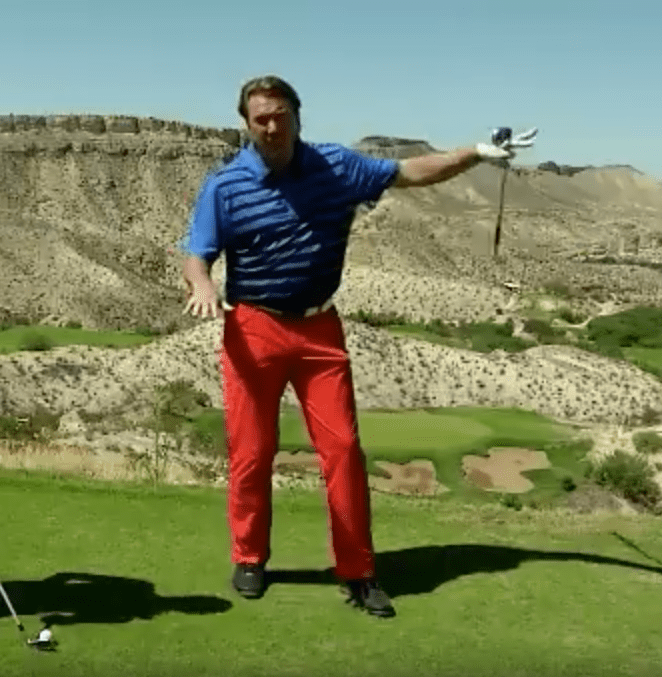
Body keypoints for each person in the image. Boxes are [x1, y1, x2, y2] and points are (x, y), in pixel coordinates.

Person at [179, 75, 534, 617]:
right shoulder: (225, 186)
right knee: (252, 453)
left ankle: (358, 572)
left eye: (280, 114)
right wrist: (202, 285)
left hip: (321, 329)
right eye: (260, 119)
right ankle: (249, 558)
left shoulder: (337, 167)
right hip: (253, 328)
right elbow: (196, 252)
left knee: (343, 451)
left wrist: (477, 153)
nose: (272, 126)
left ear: (297, 114)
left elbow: (411, 171)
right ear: (247, 124)